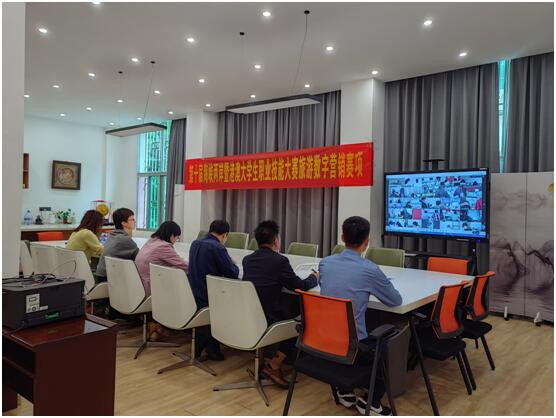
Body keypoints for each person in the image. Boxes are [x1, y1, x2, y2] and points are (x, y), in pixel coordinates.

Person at [319, 216, 402, 416]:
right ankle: (372, 402)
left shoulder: (325, 263)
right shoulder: (370, 269)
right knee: (387, 341)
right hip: (353, 346)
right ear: (367, 241)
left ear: (342, 237)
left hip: (324, 339)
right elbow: (395, 301)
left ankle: (344, 391)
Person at [243, 220, 318, 387]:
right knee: (301, 323)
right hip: (269, 318)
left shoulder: (248, 260)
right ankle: (274, 365)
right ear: (276, 240)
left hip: (249, 315)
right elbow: (300, 286)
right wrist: (315, 277)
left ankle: (268, 361)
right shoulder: (280, 261)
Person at [188, 220, 239, 360]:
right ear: (225, 235)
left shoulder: (195, 243)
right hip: (209, 295)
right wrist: (233, 264)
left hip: (194, 292)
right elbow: (232, 273)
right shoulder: (217, 248)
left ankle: (208, 348)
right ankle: (211, 348)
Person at [134, 221, 188, 296]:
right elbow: (184, 265)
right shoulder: (164, 246)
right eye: (177, 237)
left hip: (138, 285)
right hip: (149, 288)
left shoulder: (152, 241)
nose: (176, 240)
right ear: (172, 235)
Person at [95, 208, 139, 282]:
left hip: (102, 276)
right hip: (110, 279)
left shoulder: (112, 235)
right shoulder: (125, 239)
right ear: (124, 223)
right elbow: (140, 257)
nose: (135, 221)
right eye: (132, 219)